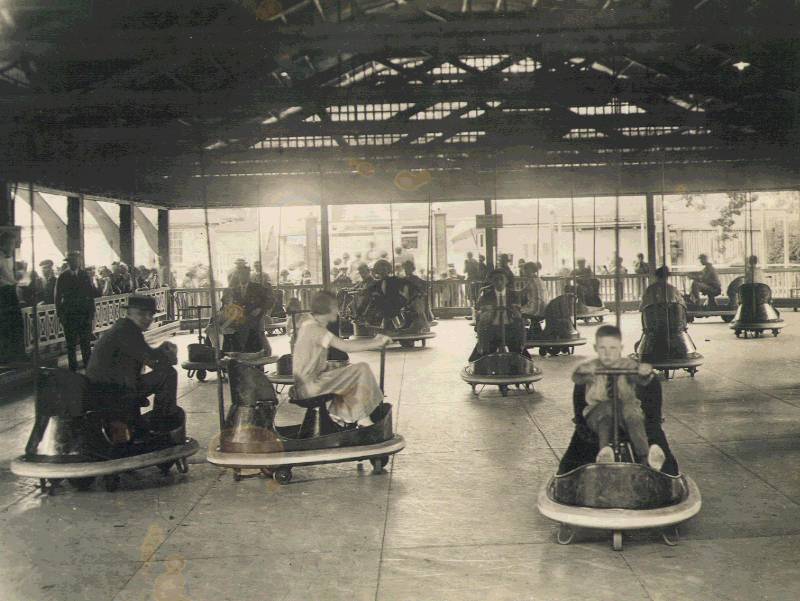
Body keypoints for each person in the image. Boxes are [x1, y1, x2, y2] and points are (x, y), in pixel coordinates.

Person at [571, 325, 665, 469]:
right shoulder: (592, 366)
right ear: (596, 348)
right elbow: (577, 379)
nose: (608, 353)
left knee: (633, 415)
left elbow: (641, 380)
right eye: (603, 348)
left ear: (621, 348)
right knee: (606, 417)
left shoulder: (628, 365)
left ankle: (646, 458)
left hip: (626, 410)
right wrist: (582, 371)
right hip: (598, 412)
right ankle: (605, 455)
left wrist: (643, 373)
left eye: (613, 348)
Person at [293, 291, 391, 427]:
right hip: (311, 387)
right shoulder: (316, 330)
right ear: (327, 309)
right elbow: (345, 346)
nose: (338, 311)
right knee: (361, 369)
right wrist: (377, 342)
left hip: (305, 385)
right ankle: (360, 417)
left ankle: (342, 414)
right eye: (336, 307)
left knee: (352, 371)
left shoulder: (307, 325)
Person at [86, 295, 180, 421]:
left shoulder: (125, 328)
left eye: (150, 314)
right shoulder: (127, 331)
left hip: (105, 388)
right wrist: (169, 355)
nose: (147, 318)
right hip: (111, 392)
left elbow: (145, 354)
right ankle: (163, 423)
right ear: (129, 313)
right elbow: (154, 362)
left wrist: (162, 349)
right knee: (168, 374)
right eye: (141, 314)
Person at [469, 269, 526, 361]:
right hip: (492, 328)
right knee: (483, 354)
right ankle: (482, 357)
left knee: (519, 352)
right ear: (492, 281)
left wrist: (516, 312)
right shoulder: (486, 295)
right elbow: (480, 309)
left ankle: (520, 354)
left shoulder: (514, 295)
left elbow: (519, 312)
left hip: (510, 328)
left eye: (501, 279)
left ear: (506, 280)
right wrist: (485, 312)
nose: (499, 282)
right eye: (495, 279)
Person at [55, 251, 98, 371]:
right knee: (71, 345)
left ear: (79, 261)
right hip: (70, 316)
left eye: (77, 260)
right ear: (68, 263)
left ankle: (88, 368)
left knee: (85, 344)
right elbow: (57, 297)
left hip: (84, 315)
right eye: (72, 261)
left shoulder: (85, 275)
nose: (75, 263)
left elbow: (92, 294)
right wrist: (60, 315)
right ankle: (73, 369)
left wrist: (91, 313)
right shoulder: (63, 277)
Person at [221, 263, 273, 353]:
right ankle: (225, 350)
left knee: (251, 328)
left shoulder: (257, 287)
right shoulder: (235, 289)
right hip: (240, 317)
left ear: (249, 275)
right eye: (241, 274)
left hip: (255, 316)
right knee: (221, 325)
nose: (243, 276)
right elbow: (227, 304)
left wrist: (260, 309)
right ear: (238, 275)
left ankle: (256, 351)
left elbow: (269, 301)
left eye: (245, 274)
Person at [0, 229, 24, 363]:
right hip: (3, 294)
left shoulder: (9, 259)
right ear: (3, 244)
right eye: (10, 244)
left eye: (14, 244)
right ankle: (7, 356)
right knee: (7, 326)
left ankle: (15, 355)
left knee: (15, 325)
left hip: (10, 292)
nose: (13, 247)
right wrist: (10, 283)